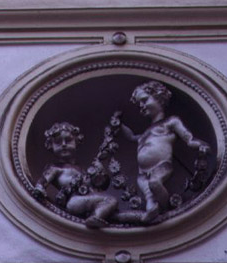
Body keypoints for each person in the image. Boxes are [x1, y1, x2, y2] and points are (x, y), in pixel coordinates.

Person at [112, 80, 209, 224]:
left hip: (161, 166)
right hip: (142, 173)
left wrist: (201, 145)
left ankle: (166, 209)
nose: (141, 106)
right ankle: (154, 211)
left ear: (159, 97)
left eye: (144, 100)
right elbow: (131, 137)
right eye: (139, 104)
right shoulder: (145, 132)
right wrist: (119, 124)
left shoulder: (170, 122)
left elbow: (189, 139)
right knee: (149, 197)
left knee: (155, 183)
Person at [32, 121, 119, 228]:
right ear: (51, 146)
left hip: (85, 199)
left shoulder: (81, 169)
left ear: (77, 142)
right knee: (110, 200)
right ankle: (95, 217)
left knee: (112, 208)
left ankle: (99, 215)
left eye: (68, 140)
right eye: (58, 142)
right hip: (74, 201)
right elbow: (43, 181)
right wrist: (39, 188)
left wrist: (100, 170)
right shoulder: (55, 168)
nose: (64, 144)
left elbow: (100, 186)